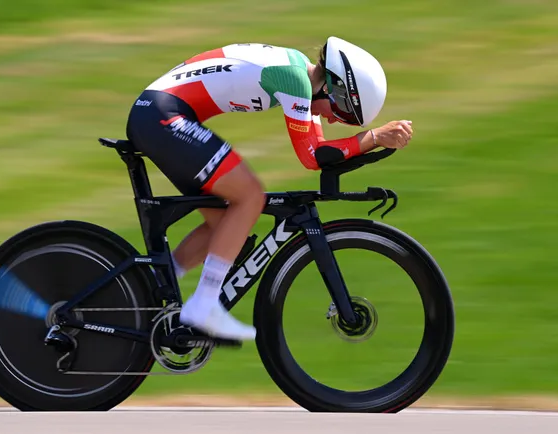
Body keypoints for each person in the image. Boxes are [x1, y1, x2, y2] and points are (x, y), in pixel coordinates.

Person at [126, 36, 413, 342]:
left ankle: (145, 287)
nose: (333, 119)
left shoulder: (300, 77)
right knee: (249, 196)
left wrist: (368, 141)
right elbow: (312, 156)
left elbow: (318, 156)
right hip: (162, 116)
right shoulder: (295, 80)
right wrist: (372, 138)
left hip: (159, 113)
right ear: (332, 87)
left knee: (225, 226)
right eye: (342, 111)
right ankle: (204, 306)